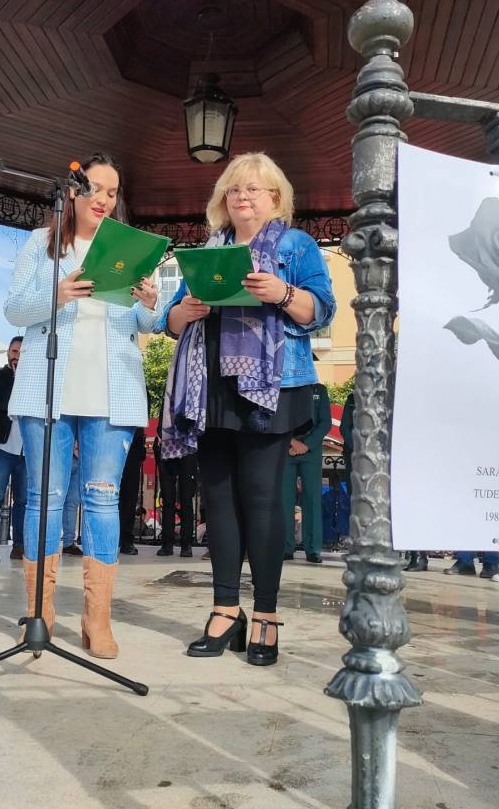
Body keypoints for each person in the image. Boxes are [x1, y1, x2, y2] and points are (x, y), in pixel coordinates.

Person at [160, 152, 335, 667]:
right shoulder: (209, 250)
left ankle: (266, 614)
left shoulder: (295, 245)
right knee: (217, 500)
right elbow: (170, 321)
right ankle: (224, 609)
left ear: (275, 197)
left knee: (262, 500)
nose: (242, 196)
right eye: (234, 189)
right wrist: (184, 310)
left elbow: (321, 311)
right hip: (209, 385)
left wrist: (282, 292)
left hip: (272, 385)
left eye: (253, 189)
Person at [4, 152, 158, 659]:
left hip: (112, 390)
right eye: (95, 188)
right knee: (44, 498)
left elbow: (144, 323)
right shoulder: (42, 242)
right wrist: (58, 293)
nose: (104, 199)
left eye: (113, 192)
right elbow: (14, 309)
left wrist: (150, 303)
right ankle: (40, 614)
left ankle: (97, 620)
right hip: (47, 388)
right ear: (72, 191)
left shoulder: (129, 249)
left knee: (103, 500)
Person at [0, 336, 27, 562]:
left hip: (26, 450)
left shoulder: (34, 380)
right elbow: (1, 403)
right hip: (1, 446)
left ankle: (19, 545)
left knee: (23, 500)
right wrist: (18, 377)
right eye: (13, 351)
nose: (16, 355)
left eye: (21, 352)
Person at [282, 380, 330, 563]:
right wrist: (292, 441)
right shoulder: (284, 386)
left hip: (311, 451)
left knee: (312, 499)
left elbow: (325, 423)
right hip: (286, 448)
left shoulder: (319, 390)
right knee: (284, 499)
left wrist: (307, 444)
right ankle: (285, 547)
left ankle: (313, 549)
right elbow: (277, 417)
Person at [154, 433, 197, 557]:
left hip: (187, 443)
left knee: (186, 499)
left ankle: (186, 544)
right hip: (167, 442)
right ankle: (167, 543)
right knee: (168, 500)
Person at [118, 427, 146, 555]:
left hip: (134, 438)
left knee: (130, 494)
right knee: (110, 490)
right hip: (112, 435)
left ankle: (126, 539)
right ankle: (114, 537)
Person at [61, 445, 83, 556]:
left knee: (72, 503)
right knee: (52, 500)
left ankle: (68, 543)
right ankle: (46, 543)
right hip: (62, 453)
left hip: (80, 458)